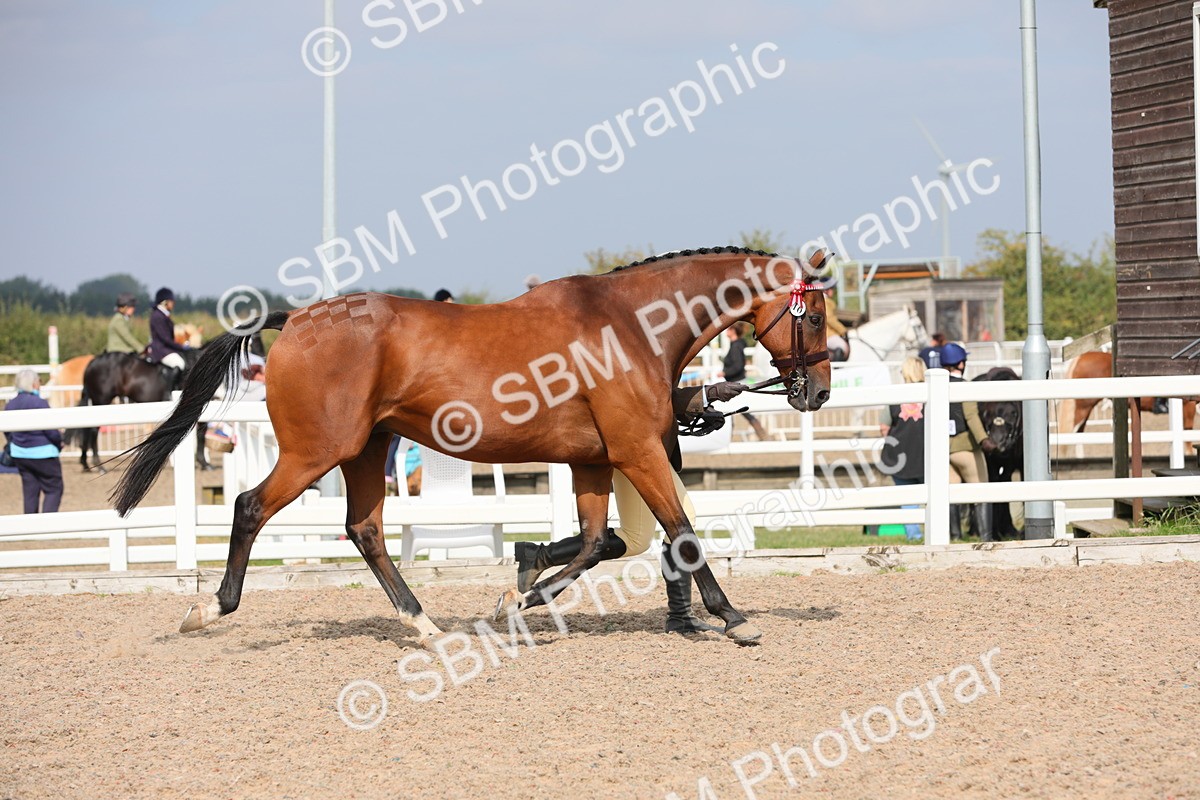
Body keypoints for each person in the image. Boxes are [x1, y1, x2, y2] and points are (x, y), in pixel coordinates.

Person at [512, 380, 747, 635]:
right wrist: (705, 394)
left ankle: (539, 555)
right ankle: (680, 615)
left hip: (638, 441)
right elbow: (641, 392)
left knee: (645, 535)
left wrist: (703, 401)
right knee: (664, 527)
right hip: (633, 444)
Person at [939, 343, 995, 541]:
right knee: (981, 491)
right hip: (965, 448)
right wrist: (984, 440)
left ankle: (955, 536)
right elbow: (971, 416)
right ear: (961, 363)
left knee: (951, 493)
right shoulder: (965, 386)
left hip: (943, 449)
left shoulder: (935, 386)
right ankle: (986, 538)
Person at [880, 357, 927, 541]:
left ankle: (914, 535)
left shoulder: (896, 395)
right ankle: (937, 532)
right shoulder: (931, 393)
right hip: (925, 455)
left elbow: (884, 427)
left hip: (898, 456)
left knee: (908, 500)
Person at [4, 370, 63, 513]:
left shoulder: (11, 404)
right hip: (44, 454)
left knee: (30, 491)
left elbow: (7, 431)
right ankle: (48, 526)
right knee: (53, 489)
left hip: (20, 455)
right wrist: (59, 441)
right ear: (34, 384)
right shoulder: (40, 403)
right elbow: (51, 431)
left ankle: (31, 526)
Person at [719, 324, 768, 440]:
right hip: (735, 382)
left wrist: (725, 373)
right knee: (736, 410)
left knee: (733, 410)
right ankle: (760, 432)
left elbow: (738, 366)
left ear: (733, 331)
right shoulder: (735, 345)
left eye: (728, 329)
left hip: (735, 383)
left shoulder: (736, 347)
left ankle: (760, 433)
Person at [148, 288, 188, 388]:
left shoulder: (163, 315)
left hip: (166, 348)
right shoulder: (157, 316)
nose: (173, 304)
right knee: (179, 363)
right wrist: (181, 347)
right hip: (160, 349)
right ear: (165, 302)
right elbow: (165, 338)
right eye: (171, 301)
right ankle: (170, 391)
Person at [824, 287, 849, 362]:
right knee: (842, 346)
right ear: (826, 290)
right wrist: (843, 330)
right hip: (827, 334)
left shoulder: (827, 301)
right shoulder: (825, 301)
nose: (833, 291)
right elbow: (830, 319)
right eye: (831, 289)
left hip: (828, 333)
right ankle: (836, 369)